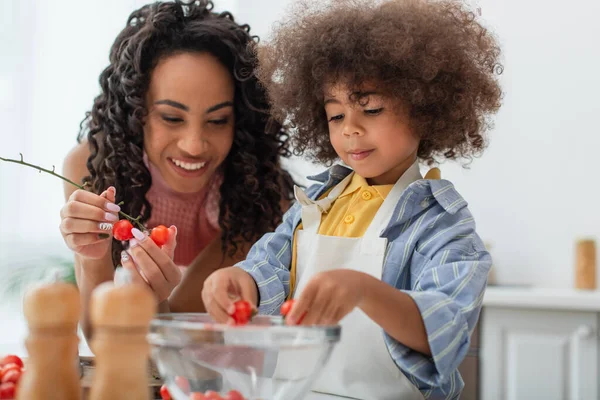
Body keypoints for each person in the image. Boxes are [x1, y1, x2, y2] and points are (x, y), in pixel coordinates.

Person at [201, 0, 503, 398]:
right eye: (335, 115)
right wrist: (239, 282)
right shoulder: (317, 201)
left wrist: (365, 290)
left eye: (371, 109)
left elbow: (444, 330)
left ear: (427, 110)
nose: (351, 130)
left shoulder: (442, 223)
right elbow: (270, 266)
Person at [59, 0, 294, 340]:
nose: (194, 145)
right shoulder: (92, 165)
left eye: (217, 120)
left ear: (241, 121)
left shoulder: (256, 196)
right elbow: (101, 338)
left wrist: (154, 300)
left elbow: (192, 342)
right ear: (135, 111)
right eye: (171, 118)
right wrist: (91, 257)